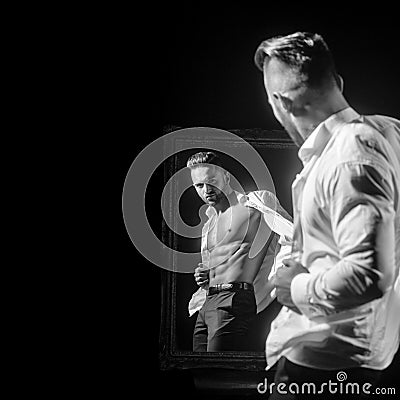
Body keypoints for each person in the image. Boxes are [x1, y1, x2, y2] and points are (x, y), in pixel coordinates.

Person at [254, 31, 400, 397]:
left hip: (328, 362)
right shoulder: (385, 131)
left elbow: (369, 274)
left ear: (281, 102)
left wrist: (295, 287)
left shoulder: (349, 154)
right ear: (337, 82)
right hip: (345, 356)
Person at [186, 151, 293, 352]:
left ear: (226, 177)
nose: (206, 189)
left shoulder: (255, 205)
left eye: (212, 181)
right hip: (206, 304)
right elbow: (215, 265)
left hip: (233, 299)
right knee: (197, 371)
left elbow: (293, 235)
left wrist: (280, 276)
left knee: (217, 371)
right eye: (199, 185)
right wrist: (204, 276)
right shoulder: (208, 225)